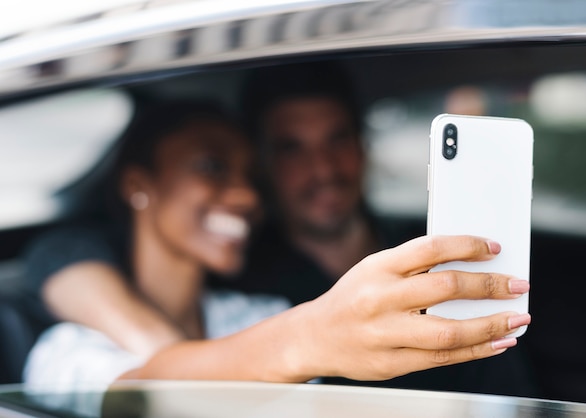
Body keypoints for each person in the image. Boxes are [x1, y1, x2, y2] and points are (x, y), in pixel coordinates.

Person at [22, 101, 530, 391]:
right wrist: (311, 337)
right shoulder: (68, 349)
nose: (245, 195)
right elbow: (136, 391)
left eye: (250, 176)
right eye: (211, 166)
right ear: (139, 184)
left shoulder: (254, 310)